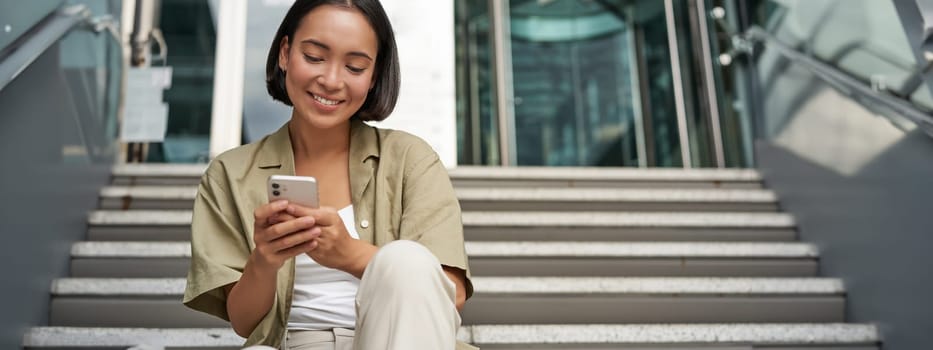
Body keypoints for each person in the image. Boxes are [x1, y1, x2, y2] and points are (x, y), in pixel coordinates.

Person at [182, 1, 474, 349]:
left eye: (354, 66)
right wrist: (265, 259)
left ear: (374, 75)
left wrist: (348, 253)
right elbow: (244, 323)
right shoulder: (229, 175)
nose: (331, 80)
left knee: (406, 258)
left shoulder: (410, 160)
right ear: (285, 53)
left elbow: (450, 295)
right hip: (291, 343)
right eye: (315, 57)